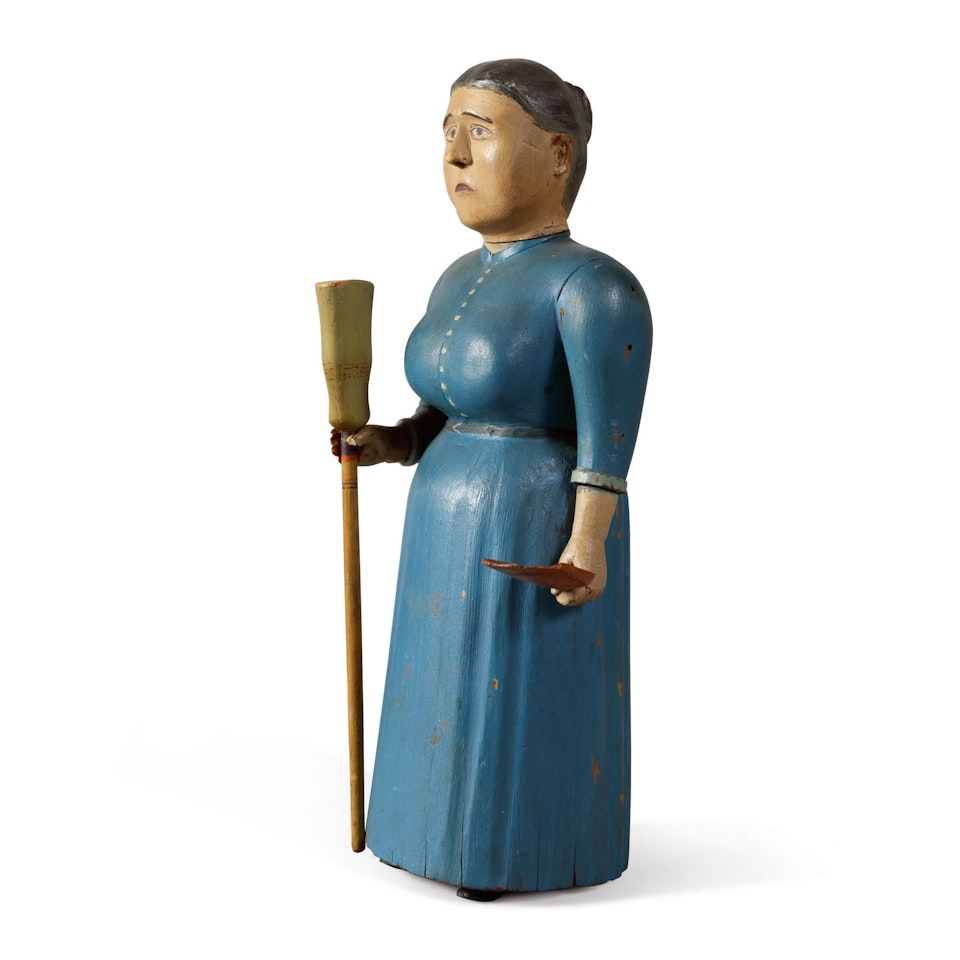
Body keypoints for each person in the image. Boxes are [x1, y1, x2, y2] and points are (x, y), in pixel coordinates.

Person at [339, 59, 652, 899]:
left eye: (478, 134)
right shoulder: (457, 274)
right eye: (448, 135)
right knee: (436, 676)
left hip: (530, 523)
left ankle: (507, 847)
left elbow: (607, 440)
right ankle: (414, 827)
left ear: (558, 154)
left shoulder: (594, 286)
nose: (454, 157)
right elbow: (440, 410)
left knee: (506, 690)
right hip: (439, 526)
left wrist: (587, 543)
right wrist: (390, 442)